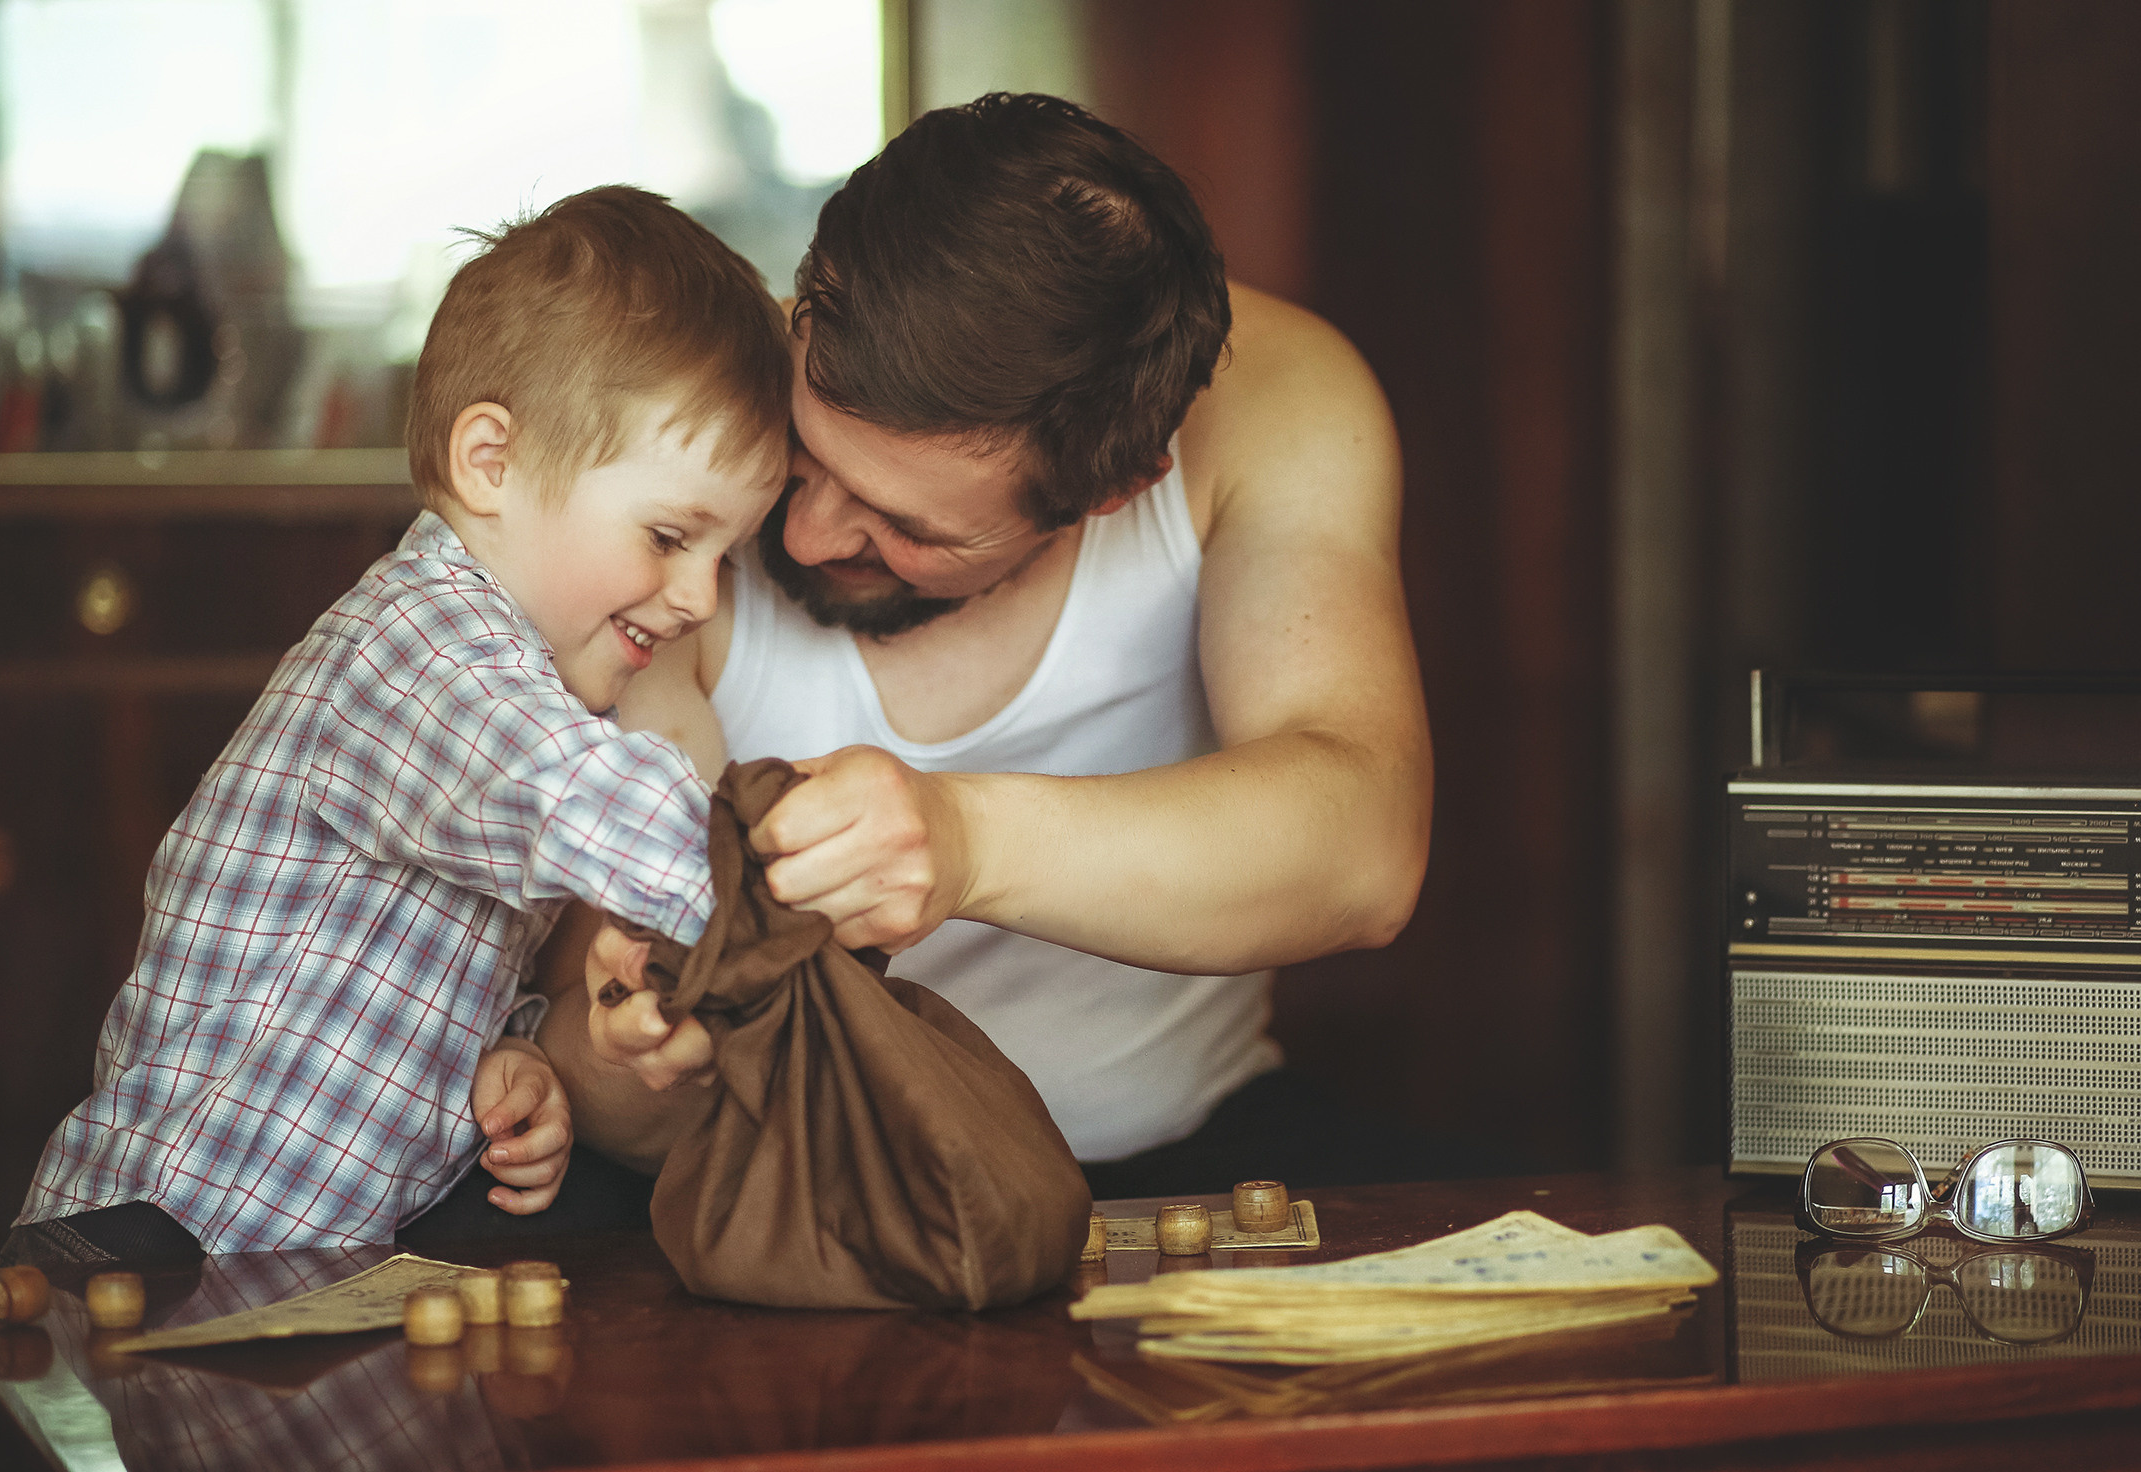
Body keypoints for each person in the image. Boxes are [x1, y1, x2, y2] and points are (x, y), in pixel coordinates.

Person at [542, 95, 1461, 1199]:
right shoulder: (672, 427)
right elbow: (582, 1071)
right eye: (807, 452)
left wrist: (963, 839)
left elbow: (1363, 849)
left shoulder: (1279, 400)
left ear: (1114, 490)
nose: (802, 533)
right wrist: (636, 1061)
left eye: (911, 528)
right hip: (759, 1182)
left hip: (1177, 1159)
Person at [6, 187, 789, 1261]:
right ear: (491, 464)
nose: (699, 595)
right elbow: (568, 797)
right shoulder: (421, 648)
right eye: (668, 535)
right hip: (166, 1243)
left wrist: (507, 1062)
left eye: (724, 556)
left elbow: (398, 956)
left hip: (294, 1261)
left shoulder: (512, 674)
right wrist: (791, 876)